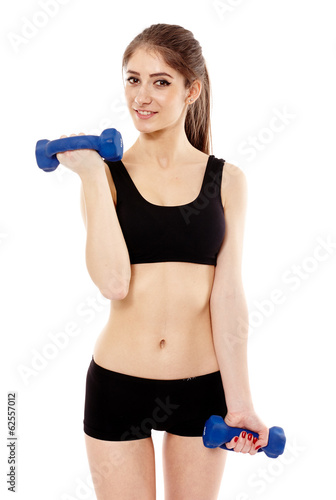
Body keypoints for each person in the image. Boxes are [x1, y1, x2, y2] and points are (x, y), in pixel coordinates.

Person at [57, 23, 269, 500]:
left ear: (191, 89)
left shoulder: (227, 181)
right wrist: (92, 175)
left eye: (161, 81)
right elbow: (112, 282)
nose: (142, 96)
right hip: (118, 384)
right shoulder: (106, 177)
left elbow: (228, 296)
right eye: (133, 79)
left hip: (201, 388)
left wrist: (240, 404)